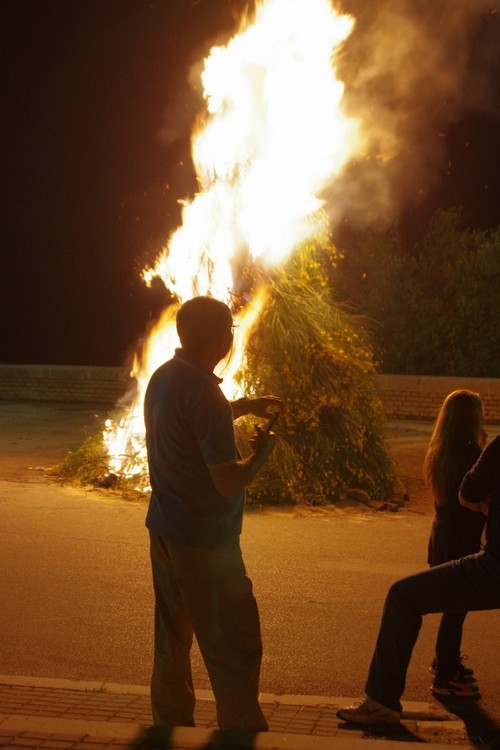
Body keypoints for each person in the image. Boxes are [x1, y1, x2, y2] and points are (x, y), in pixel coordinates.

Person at [144, 295, 284, 732]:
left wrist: (243, 405)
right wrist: (261, 457)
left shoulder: (164, 377)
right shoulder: (203, 392)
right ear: (221, 337)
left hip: (165, 529)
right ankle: (241, 730)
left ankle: (170, 723)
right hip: (204, 540)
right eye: (231, 330)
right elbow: (226, 480)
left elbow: (190, 420)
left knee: (173, 640)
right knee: (235, 643)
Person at [336, 434, 499, 725]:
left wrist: (489, 504)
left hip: (494, 567)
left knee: (403, 596)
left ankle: (381, 701)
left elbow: (468, 494)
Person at [423, 390, 487, 696]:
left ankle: (445, 662)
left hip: (443, 539)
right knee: (457, 608)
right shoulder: (471, 455)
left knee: (454, 608)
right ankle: (446, 675)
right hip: (463, 542)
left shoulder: (441, 451)